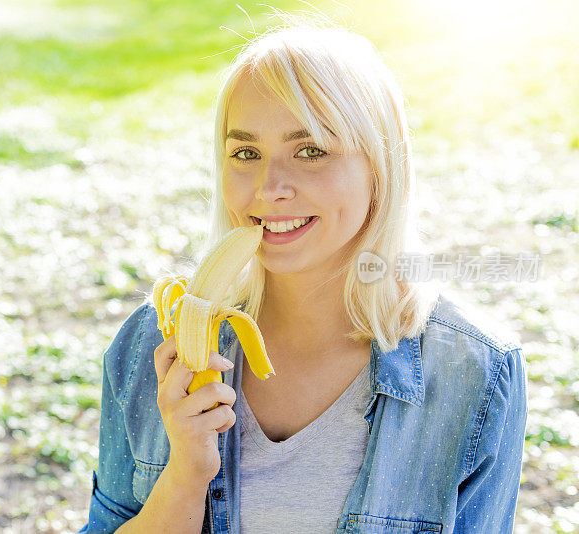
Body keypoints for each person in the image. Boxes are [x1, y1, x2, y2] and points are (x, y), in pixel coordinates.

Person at [79, 17, 528, 534]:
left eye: (310, 150)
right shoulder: (152, 342)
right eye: (246, 152)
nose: (270, 188)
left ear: (380, 167)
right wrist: (185, 475)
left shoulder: (475, 369)